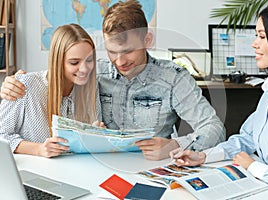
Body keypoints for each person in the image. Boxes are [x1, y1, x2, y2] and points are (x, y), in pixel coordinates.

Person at [0, 0, 225, 160]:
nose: (119, 61)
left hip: (150, 168)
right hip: (98, 168)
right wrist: (15, 83)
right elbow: (62, 73)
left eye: (128, 51)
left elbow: (214, 128)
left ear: (147, 39)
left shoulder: (174, 78)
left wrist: (175, 145)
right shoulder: (94, 74)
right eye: (111, 51)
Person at [170, 2, 268, 194]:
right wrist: (203, 156)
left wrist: (252, 166)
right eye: (257, 35)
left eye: (262, 36)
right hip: (264, 185)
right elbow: (246, 139)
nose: (254, 43)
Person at [0, 24, 100, 158]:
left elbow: (90, 137)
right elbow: (2, 135)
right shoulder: (25, 85)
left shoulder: (92, 87)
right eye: (74, 63)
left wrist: (97, 136)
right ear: (58, 61)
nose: (84, 69)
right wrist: (39, 149)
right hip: (33, 172)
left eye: (89, 60)